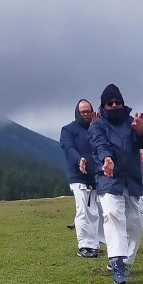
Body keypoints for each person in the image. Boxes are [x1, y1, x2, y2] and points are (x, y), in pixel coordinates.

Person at [88, 84, 143, 284]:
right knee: (113, 215)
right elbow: (99, 144)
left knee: (136, 224)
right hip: (109, 177)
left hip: (132, 179)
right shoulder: (97, 125)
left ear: (123, 103)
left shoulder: (132, 122)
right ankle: (116, 262)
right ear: (103, 105)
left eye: (118, 102)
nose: (114, 105)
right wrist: (107, 158)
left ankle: (124, 259)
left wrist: (140, 131)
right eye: (110, 103)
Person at [60, 99, 103, 258]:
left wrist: (97, 128)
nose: (86, 114)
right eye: (83, 111)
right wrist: (79, 160)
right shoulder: (68, 130)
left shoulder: (97, 128)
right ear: (77, 113)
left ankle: (94, 244)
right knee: (83, 210)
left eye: (88, 111)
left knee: (95, 211)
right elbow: (68, 148)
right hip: (77, 176)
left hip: (95, 176)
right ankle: (84, 246)